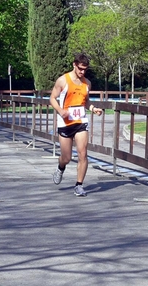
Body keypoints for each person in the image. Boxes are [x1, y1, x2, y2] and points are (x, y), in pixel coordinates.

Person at [50, 53, 102, 197]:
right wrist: (60, 111)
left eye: (85, 69)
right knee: (66, 157)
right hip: (65, 123)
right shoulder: (63, 80)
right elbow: (52, 98)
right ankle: (61, 167)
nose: (82, 72)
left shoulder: (87, 83)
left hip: (81, 122)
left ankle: (79, 185)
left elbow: (85, 101)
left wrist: (93, 109)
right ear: (74, 65)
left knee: (83, 153)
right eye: (80, 69)